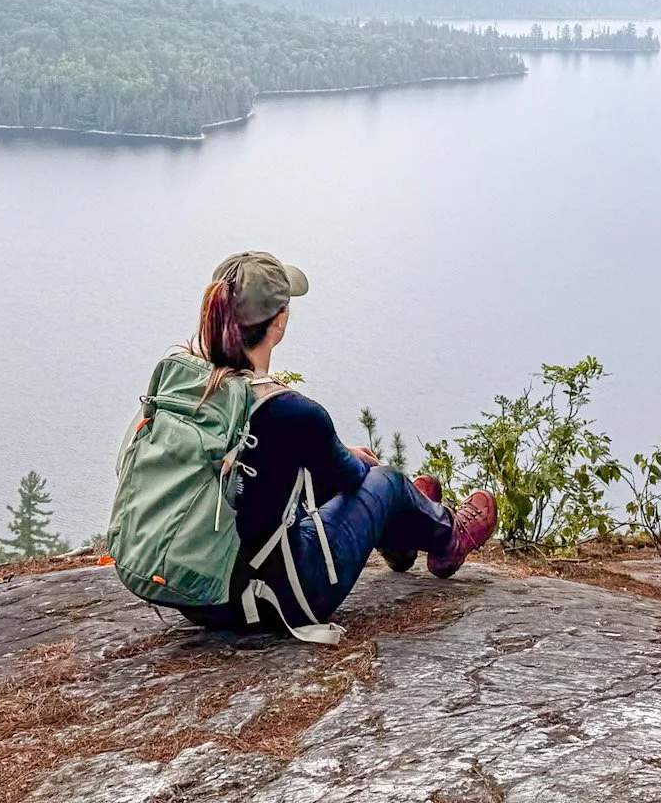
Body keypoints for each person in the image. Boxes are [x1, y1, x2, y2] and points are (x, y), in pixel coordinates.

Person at [178, 250, 497, 641]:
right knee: (388, 483)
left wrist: (334, 451)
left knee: (345, 477)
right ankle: (448, 536)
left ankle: (403, 535)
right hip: (282, 598)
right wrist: (355, 462)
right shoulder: (286, 410)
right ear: (279, 323)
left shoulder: (186, 389)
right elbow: (348, 477)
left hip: (200, 595)